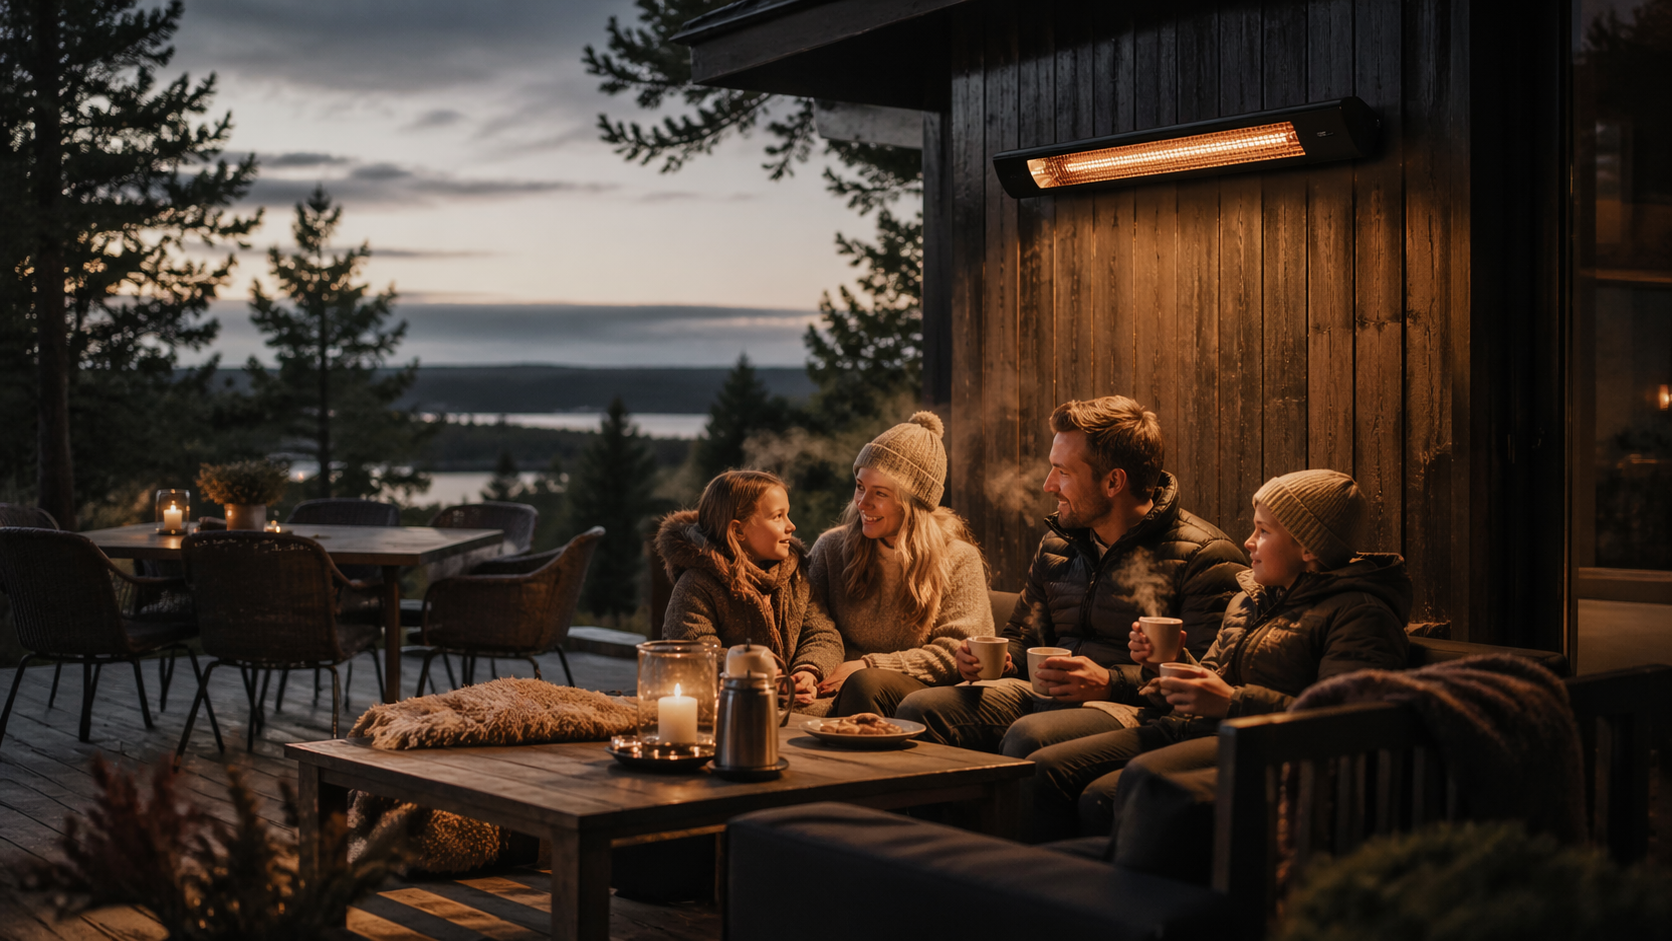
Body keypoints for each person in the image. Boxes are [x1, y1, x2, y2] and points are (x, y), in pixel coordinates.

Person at [894, 396, 1247, 824]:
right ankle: (941, 857)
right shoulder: (1059, 542)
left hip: (1132, 708)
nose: (1048, 484)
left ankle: (1016, 875)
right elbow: (1027, 639)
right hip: (1045, 693)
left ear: (1113, 482)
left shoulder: (1205, 555)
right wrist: (1000, 660)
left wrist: (1110, 683)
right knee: (919, 710)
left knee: (1029, 736)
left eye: (1063, 471)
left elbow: (1205, 676)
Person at [1031, 468, 1414, 842]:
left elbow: (1343, 724)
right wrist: (1169, 665)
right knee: (1046, 768)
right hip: (1191, 727)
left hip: (1257, 746)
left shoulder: (1360, 614)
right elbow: (1212, 677)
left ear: (1309, 546)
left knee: (1114, 792)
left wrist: (1231, 703)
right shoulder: (1250, 599)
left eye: (1263, 531)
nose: (1248, 541)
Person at [805, 411, 994, 717]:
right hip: (831, 683)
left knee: (865, 687)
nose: (862, 503)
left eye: (880, 493)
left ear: (913, 504)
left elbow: (955, 652)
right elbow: (810, 627)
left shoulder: (957, 558)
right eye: (859, 486)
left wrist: (869, 666)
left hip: (910, 693)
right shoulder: (832, 548)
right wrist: (809, 671)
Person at [657, 469, 842, 707]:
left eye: (788, 514)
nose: (791, 526)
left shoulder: (795, 577)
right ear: (738, 531)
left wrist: (808, 672)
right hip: (730, 709)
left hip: (796, 705)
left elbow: (822, 634)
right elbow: (692, 654)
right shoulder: (697, 585)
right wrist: (759, 674)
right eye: (777, 517)